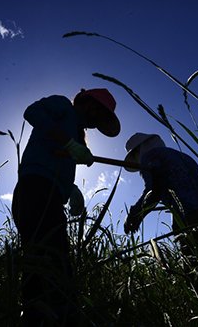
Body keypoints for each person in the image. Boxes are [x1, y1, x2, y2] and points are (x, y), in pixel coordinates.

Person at [12, 88, 120, 326]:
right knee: (46, 255)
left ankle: (53, 314)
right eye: (98, 116)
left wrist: (70, 189)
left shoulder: (79, 134)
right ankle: (44, 315)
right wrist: (69, 143)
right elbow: (32, 112)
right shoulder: (63, 106)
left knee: (53, 255)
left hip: (51, 195)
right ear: (89, 104)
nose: (96, 123)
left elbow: (59, 162)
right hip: (34, 188)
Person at [122, 133, 198, 256]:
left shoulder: (149, 158)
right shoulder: (183, 157)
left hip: (192, 217)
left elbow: (153, 191)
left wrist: (134, 215)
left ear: (138, 151)